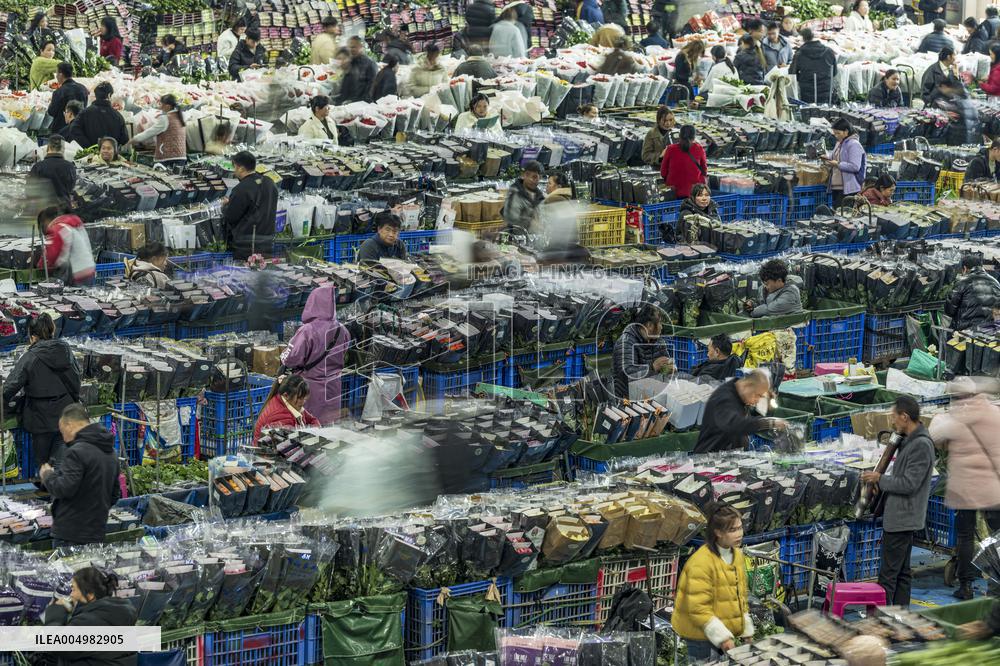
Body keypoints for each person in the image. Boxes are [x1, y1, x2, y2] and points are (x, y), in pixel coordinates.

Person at [928, 379, 1000, 601]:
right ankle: (996, 583)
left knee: (965, 537)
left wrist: (942, 416)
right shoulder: (993, 413)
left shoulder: (958, 418)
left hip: (967, 488)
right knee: (998, 538)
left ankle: (966, 585)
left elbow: (934, 434)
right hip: (993, 486)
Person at [862, 396, 934, 607]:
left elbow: (909, 484)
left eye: (894, 417)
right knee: (901, 572)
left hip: (903, 518)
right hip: (902, 517)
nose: (892, 421)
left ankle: (884, 622)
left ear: (905, 417)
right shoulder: (909, 440)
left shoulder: (921, 445)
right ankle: (899, 617)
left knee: (889, 575)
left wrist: (879, 479)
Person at [2, 313, 81, 480]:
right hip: (65, 414)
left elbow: (10, 387)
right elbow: (76, 377)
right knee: (60, 461)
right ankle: (58, 497)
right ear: (53, 330)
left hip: (40, 418)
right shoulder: (65, 350)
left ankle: (54, 495)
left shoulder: (31, 357)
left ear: (33, 336)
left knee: (44, 465)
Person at [672, 503, 753, 661]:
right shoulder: (701, 563)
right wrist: (724, 639)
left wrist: (746, 629)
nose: (739, 534)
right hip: (698, 635)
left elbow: (740, 596)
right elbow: (698, 609)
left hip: (721, 630)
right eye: (732, 530)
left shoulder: (736, 555)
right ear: (718, 532)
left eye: (740, 528)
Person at [39, 404, 119, 547]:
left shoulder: (76, 452)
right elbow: (114, 495)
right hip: (96, 532)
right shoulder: (111, 453)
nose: (63, 437)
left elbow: (64, 488)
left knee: (65, 569)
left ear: (69, 425)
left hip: (70, 533)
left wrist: (47, 475)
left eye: (62, 431)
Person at [280, 285, 351, 425]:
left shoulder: (307, 330)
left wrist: (282, 357)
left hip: (310, 389)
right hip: (334, 387)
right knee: (329, 429)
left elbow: (290, 359)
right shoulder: (342, 329)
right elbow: (345, 351)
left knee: (310, 431)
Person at [43, 566, 138, 664]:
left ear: (90, 594)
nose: (71, 594)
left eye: (74, 589)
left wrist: (56, 612)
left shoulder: (91, 621)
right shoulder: (113, 612)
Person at [694, 370, 787, 454]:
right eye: (757, 395)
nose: (757, 400)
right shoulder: (724, 399)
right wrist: (769, 423)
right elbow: (736, 425)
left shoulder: (740, 392)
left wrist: (766, 401)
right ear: (747, 386)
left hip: (731, 456)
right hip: (709, 460)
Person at [222, 151, 278, 260]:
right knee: (263, 272)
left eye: (235, 167)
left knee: (246, 275)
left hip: (248, 245)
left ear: (241, 168)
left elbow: (231, 216)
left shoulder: (241, 189)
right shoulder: (270, 182)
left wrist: (226, 206)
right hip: (268, 242)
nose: (234, 171)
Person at [611, 305, 673, 398]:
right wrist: (652, 367)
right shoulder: (626, 342)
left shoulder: (658, 341)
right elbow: (626, 373)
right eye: (660, 323)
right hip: (628, 397)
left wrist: (670, 368)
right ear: (649, 325)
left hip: (652, 392)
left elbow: (665, 363)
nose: (661, 327)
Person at [253, 375, 320, 444]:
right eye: (300, 398)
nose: (303, 401)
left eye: (304, 398)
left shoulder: (291, 404)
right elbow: (287, 447)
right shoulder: (279, 416)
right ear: (286, 395)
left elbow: (313, 420)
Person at [35, 207, 95, 285]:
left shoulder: (58, 228)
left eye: (42, 225)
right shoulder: (72, 225)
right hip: (89, 271)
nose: (44, 229)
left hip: (77, 275)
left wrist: (40, 266)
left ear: (46, 220)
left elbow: (52, 255)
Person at [124, 93, 187, 167]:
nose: (160, 107)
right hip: (181, 156)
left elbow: (149, 132)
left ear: (168, 106)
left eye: (161, 105)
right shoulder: (181, 117)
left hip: (167, 157)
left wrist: (134, 139)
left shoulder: (165, 119)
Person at [945, 254, 1000, 331]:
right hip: (989, 330)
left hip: (965, 331)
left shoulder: (962, 282)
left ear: (964, 268)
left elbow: (949, 311)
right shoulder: (995, 282)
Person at [68, 81, 128, 148]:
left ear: (96, 95)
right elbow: (124, 139)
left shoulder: (84, 113)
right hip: (111, 155)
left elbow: (73, 129)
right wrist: (111, 147)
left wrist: (88, 147)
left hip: (90, 156)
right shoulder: (117, 116)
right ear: (109, 95)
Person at [824, 118, 867, 209]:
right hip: (838, 186)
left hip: (849, 188)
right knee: (837, 211)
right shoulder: (839, 143)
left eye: (838, 133)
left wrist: (838, 164)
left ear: (846, 131)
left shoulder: (854, 145)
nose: (836, 136)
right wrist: (827, 157)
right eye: (834, 133)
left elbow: (855, 166)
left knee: (843, 213)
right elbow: (834, 156)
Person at [789, 28, 837, 104]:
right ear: (813, 36)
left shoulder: (799, 54)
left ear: (803, 38)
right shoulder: (829, 52)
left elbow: (792, 73)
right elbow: (834, 72)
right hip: (826, 91)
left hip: (807, 92)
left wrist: (802, 78)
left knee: (809, 113)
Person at [660, 124, 706, 199]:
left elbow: (663, 172)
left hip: (673, 192)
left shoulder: (670, 149)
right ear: (694, 137)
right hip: (694, 192)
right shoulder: (699, 149)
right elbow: (704, 171)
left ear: (679, 136)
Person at [29, 137, 77, 209]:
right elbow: (71, 189)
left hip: (43, 213)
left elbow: (30, 192)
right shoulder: (70, 167)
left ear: (48, 148)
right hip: (64, 211)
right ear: (63, 149)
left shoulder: (37, 167)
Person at [502, 160, 545, 233]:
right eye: (528, 175)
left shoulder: (539, 196)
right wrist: (530, 222)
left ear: (539, 178)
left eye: (535, 177)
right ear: (523, 175)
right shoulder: (515, 193)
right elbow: (511, 217)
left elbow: (542, 216)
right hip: (517, 239)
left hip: (535, 239)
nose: (531, 179)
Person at [46, 62, 87, 134]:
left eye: (57, 73)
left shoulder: (59, 92)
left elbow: (51, 112)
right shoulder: (83, 88)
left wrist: (50, 103)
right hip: (80, 128)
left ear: (61, 74)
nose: (56, 76)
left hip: (61, 131)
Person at [336, 36, 377, 104]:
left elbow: (371, 92)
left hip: (361, 106)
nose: (350, 49)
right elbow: (344, 89)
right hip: (346, 104)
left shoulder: (369, 64)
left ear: (360, 47)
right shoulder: (350, 63)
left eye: (353, 47)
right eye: (348, 47)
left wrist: (353, 102)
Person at [938, 82, 981, 146]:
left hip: (963, 134)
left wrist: (950, 109)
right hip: (965, 133)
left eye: (942, 88)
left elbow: (968, 114)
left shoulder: (961, 98)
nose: (941, 90)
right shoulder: (961, 97)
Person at [669, 40, 704, 104]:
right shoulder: (681, 56)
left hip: (687, 87)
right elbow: (679, 75)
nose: (698, 55)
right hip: (681, 88)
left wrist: (696, 78)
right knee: (682, 107)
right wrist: (690, 79)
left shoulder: (691, 58)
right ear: (694, 50)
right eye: (698, 52)